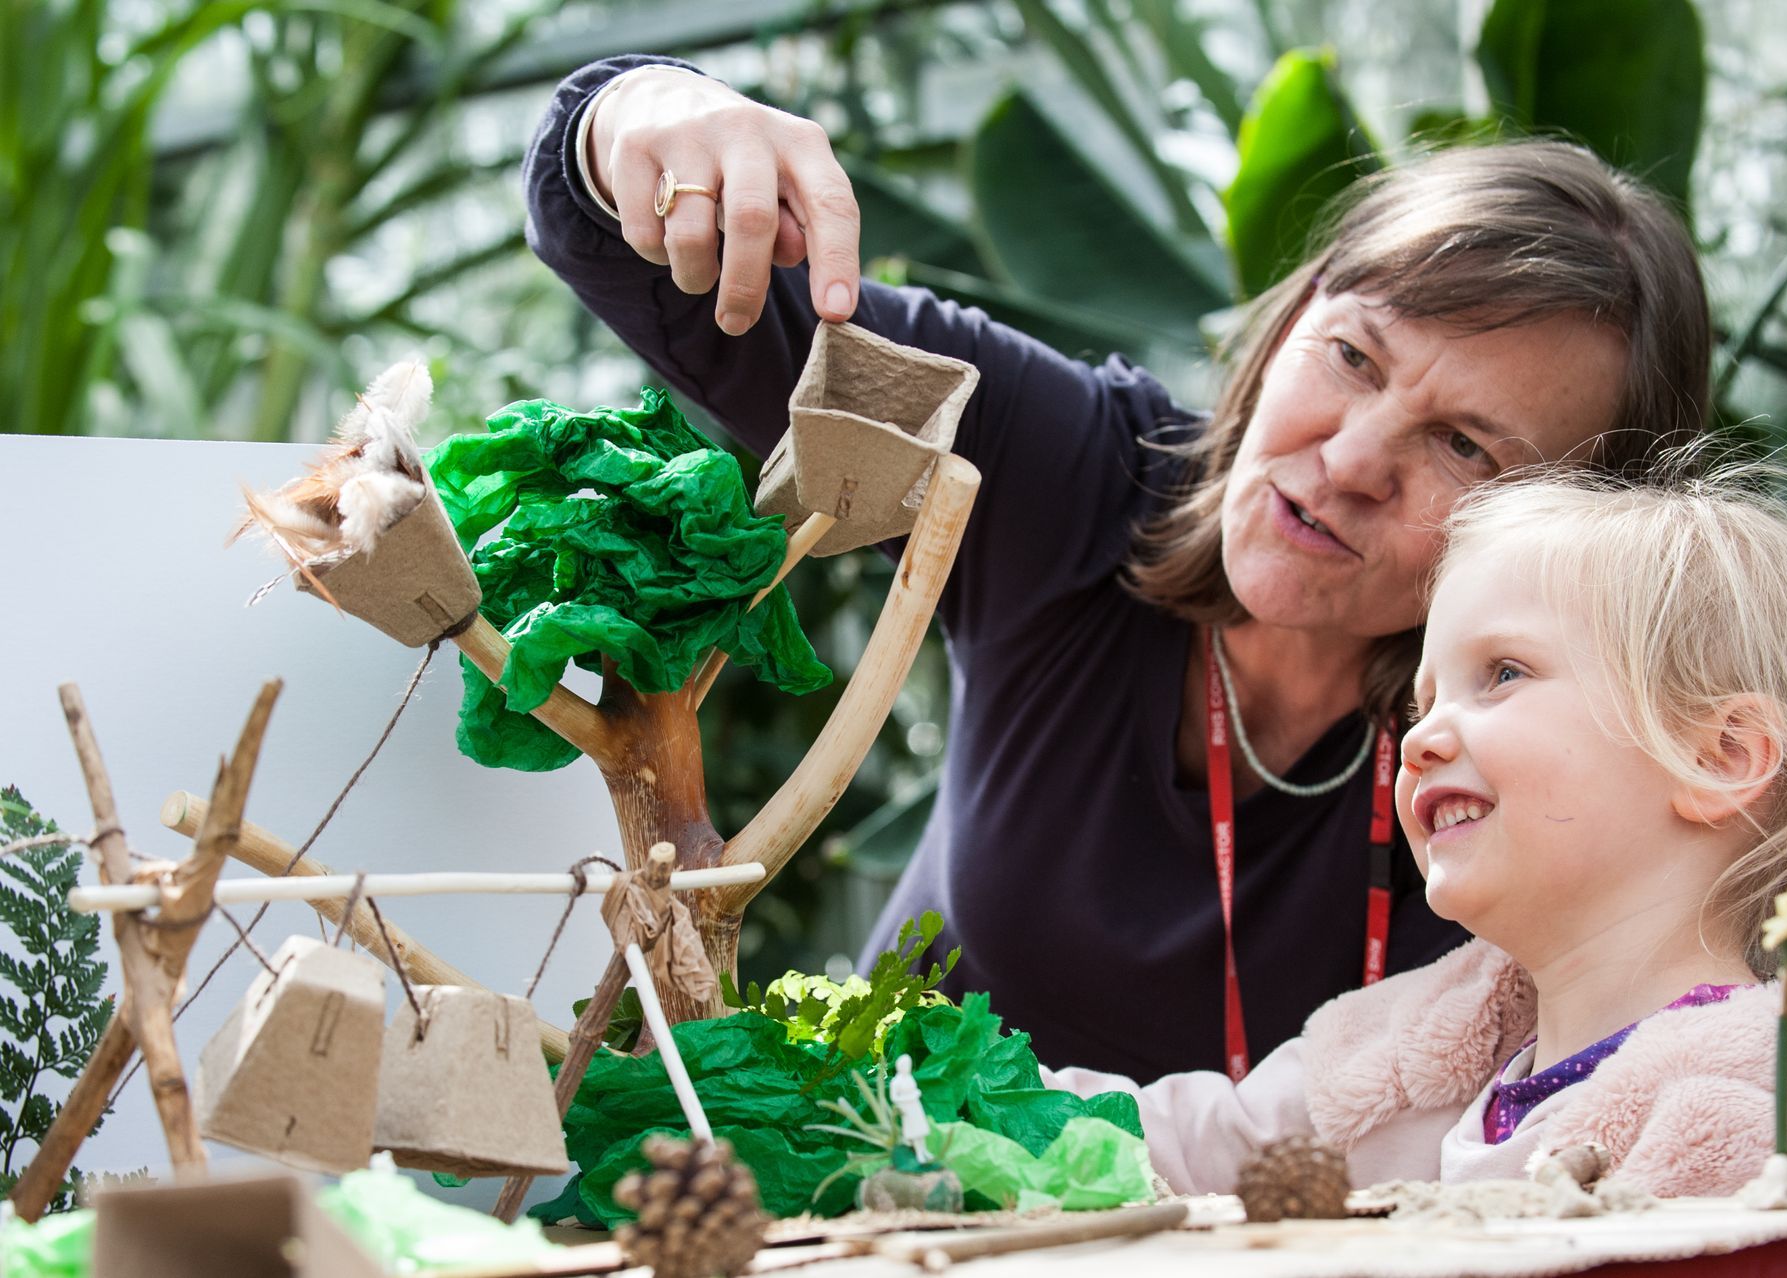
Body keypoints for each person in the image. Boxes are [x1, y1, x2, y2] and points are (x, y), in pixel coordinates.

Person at [523, 54, 1712, 1079]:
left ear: (1586, 515)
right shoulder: (1081, 472)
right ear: (1292, 316)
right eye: (1351, 354)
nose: (1350, 461)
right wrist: (642, 112)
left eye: (1462, 444)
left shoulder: (1587, 743)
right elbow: (636, 263)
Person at [1046, 471, 1787, 1195]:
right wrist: (959, 1109)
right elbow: (1193, 1155)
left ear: (1719, 756)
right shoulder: (1424, 1047)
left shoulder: (1775, 1123)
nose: (1420, 737)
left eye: (1502, 673)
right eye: (1424, 702)